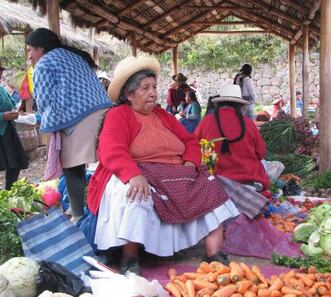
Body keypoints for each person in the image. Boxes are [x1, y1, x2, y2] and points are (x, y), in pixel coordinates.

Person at [87, 56, 239, 273]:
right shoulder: (118, 115)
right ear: (129, 94)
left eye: (154, 87)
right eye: (145, 88)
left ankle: (214, 255)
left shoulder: (162, 115)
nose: (152, 93)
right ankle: (130, 258)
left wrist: (190, 163)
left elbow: (189, 141)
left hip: (178, 171)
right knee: (135, 195)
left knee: (212, 189)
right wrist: (133, 175)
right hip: (140, 171)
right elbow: (112, 151)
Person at [26, 28, 112, 222]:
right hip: (104, 112)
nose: (30, 55)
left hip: (79, 118)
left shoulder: (45, 63)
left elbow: (45, 99)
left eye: (30, 50)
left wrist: (45, 118)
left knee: (71, 165)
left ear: (41, 48)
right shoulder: (73, 56)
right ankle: (96, 208)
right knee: (108, 161)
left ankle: (78, 214)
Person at [195, 84, 271, 199]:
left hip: (215, 182)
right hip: (249, 182)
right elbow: (261, 153)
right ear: (239, 105)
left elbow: (194, 147)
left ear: (219, 104)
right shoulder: (248, 123)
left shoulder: (206, 122)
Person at [0, 84, 29, 189]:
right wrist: (2, 116)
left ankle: (9, 192)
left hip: (7, 130)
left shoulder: (1, 88)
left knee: (15, 162)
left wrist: (13, 110)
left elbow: (11, 101)